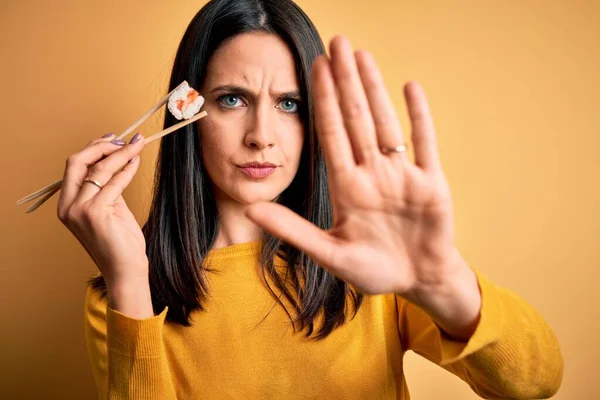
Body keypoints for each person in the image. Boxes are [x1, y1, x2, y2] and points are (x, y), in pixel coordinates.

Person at [57, 0, 564, 398]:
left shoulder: (369, 263)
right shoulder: (122, 296)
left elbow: (535, 381)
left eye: (289, 104)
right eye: (232, 99)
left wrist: (441, 282)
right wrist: (129, 281)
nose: (261, 136)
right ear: (188, 112)